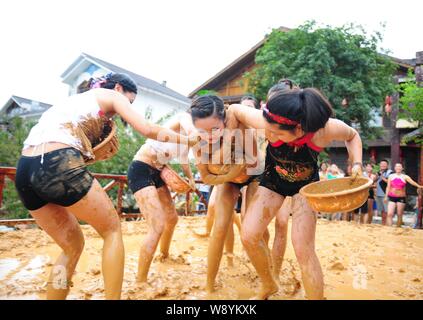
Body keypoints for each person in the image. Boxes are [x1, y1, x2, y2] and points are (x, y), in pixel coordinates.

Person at [14, 73, 195, 300]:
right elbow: (147, 128)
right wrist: (189, 141)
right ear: (118, 88)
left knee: (71, 247)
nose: (126, 110)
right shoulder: (111, 95)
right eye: (129, 102)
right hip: (57, 162)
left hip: (24, 170)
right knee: (111, 231)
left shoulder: (72, 102)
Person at [228, 88, 363, 299]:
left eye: (278, 133)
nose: (270, 135)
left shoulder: (324, 130)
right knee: (249, 235)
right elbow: (234, 110)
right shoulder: (266, 122)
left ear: (299, 129)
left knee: (303, 249)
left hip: (305, 188)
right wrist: (232, 147)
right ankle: (268, 284)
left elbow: (353, 136)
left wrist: (356, 164)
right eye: (269, 131)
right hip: (273, 181)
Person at [188, 94, 262, 293]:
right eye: (202, 131)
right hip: (227, 180)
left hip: (254, 175)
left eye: (214, 129)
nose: (209, 136)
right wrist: (225, 173)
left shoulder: (237, 122)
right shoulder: (197, 142)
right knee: (219, 227)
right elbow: (205, 177)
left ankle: (265, 273)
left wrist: (222, 159)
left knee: (253, 225)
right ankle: (209, 286)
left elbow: (251, 162)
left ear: (224, 119)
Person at [127, 112, 197, 282]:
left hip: (158, 171)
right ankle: (140, 280)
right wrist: (194, 134)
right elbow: (184, 121)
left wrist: (191, 178)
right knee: (157, 225)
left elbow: (182, 158)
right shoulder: (184, 119)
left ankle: (164, 256)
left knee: (172, 218)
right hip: (141, 169)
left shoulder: (189, 137)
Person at [384, 163, 423, 227]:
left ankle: (398, 228)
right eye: (397, 166)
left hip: (401, 198)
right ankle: (389, 228)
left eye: (399, 167)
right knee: (389, 214)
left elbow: (412, 182)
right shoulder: (391, 176)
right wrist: (386, 196)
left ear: (402, 168)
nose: (398, 168)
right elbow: (388, 187)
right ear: (395, 168)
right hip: (391, 197)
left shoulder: (405, 177)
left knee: (399, 214)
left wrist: (419, 186)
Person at [376, 159, 393, 225]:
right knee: (382, 211)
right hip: (378, 194)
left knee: (387, 211)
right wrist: (377, 175)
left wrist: (381, 176)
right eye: (381, 164)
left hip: (385, 194)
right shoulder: (378, 172)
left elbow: (389, 182)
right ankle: (383, 224)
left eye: (384, 164)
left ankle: (387, 225)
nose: (383, 165)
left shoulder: (390, 172)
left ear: (387, 165)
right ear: (380, 165)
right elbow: (374, 181)